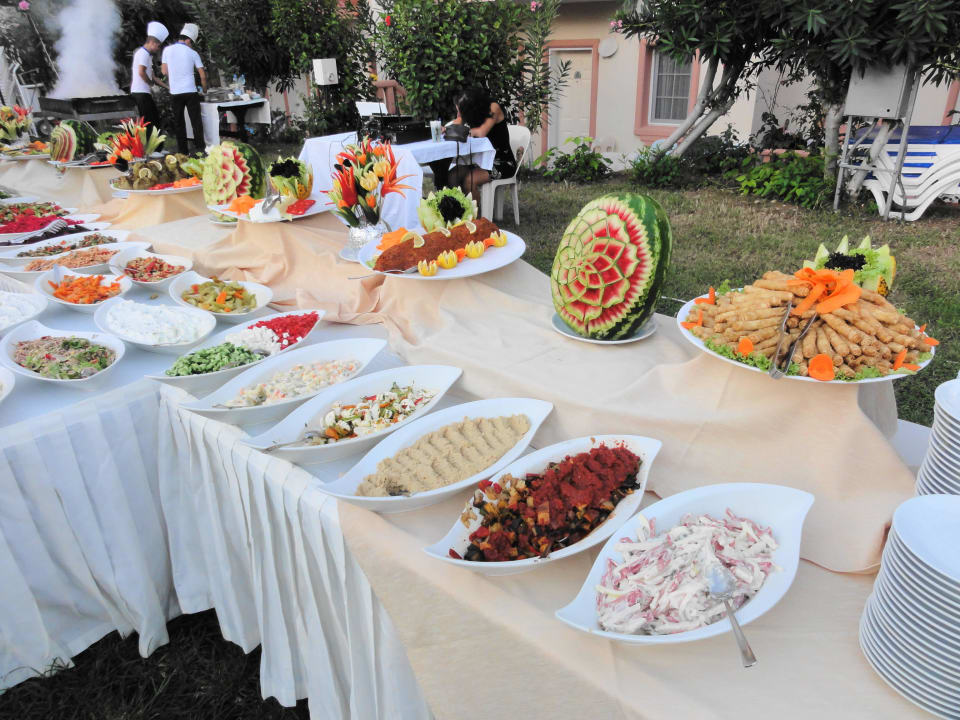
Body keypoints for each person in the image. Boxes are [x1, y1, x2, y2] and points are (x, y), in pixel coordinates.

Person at [429, 89, 517, 197]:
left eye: (459, 111)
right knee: (452, 176)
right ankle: (460, 210)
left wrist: (456, 130)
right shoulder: (472, 111)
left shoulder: (494, 107)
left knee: (469, 180)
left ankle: (475, 213)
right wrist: (445, 129)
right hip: (480, 161)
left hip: (502, 162)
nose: (458, 114)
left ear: (469, 108)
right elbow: (457, 122)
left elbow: (480, 133)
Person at [161, 23, 207, 154]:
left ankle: (183, 151)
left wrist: (175, 75)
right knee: (196, 122)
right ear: (188, 40)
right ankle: (200, 149)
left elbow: (164, 71)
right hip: (191, 92)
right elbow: (202, 75)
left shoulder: (167, 51)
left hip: (175, 92)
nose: (191, 45)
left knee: (179, 122)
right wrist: (204, 90)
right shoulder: (193, 53)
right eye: (191, 43)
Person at [129, 21, 168, 130]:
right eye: (158, 46)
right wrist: (152, 85)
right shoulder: (143, 54)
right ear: (152, 42)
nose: (158, 49)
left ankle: (155, 146)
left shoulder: (147, 55)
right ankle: (153, 146)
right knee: (150, 122)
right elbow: (141, 72)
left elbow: (153, 77)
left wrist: (167, 87)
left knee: (153, 120)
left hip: (144, 93)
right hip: (140, 93)